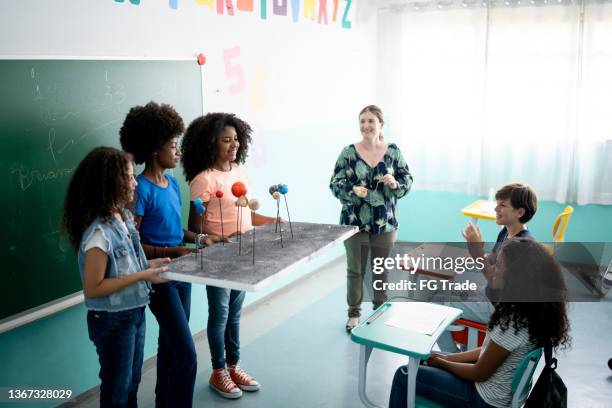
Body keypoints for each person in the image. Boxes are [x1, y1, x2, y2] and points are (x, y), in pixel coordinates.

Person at [389, 239, 571, 408]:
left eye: (499, 266)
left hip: (484, 399)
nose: (494, 269)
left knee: (404, 374)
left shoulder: (513, 322)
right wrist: (444, 358)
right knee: (424, 359)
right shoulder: (532, 313)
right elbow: (488, 352)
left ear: (515, 277)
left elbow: (479, 373)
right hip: (497, 392)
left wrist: (443, 363)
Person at [119, 102, 217, 408]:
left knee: (170, 345)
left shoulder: (173, 183)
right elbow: (133, 246)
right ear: (153, 149)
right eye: (173, 146)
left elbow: (178, 231)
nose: (178, 152)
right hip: (158, 279)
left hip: (183, 273)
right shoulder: (141, 190)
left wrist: (202, 238)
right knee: (187, 353)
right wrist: (172, 251)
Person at [62, 146, 170, 408]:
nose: (135, 182)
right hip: (112, 320)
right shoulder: (99, 233)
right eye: (129, 177)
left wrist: (154, 264)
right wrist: (144, 274)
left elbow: (130, 264)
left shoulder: (124, 218)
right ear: (110, 183)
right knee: (117, 390)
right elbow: (95, 288)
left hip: (133, 312)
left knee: (132, 382)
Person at [181, 112, 278, 399]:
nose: (233, 145)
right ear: (211, 143)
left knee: (234, 314)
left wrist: (271, 223)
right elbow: (192, 228)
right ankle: (218, 370)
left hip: (243, 252)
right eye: (226, 140)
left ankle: (234, 366)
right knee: (220, 314)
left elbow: (245, 213)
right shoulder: (204, 180)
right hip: (219, 257)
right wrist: (211, 239)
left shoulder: (238, 171)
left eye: (236, 139)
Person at [329, 105, 413, 331]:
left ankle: (379, 309)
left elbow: (407, 181)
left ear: (380, 125)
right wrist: (352, 191)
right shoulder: (348, 153)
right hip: (354, 221)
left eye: (370, 121)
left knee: (381, 269)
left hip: (386, 222)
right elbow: (335, 184)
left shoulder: (393, 151)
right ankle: (354, 314)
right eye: (362, 121)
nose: (366, 126)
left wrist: (395, 184)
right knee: (355, 270)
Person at [435, 183, 538, 352]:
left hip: (500, 310)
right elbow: (492, 258)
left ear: (519, 212)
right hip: (491, 295)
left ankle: (451, 357)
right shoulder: (507, 231)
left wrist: (476, 252)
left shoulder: (520, 245)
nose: (496, 209)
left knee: (438, 305)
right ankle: (464, 353)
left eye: (503, 205)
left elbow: (496, 281)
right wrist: (472, 255)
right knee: (447, 290)